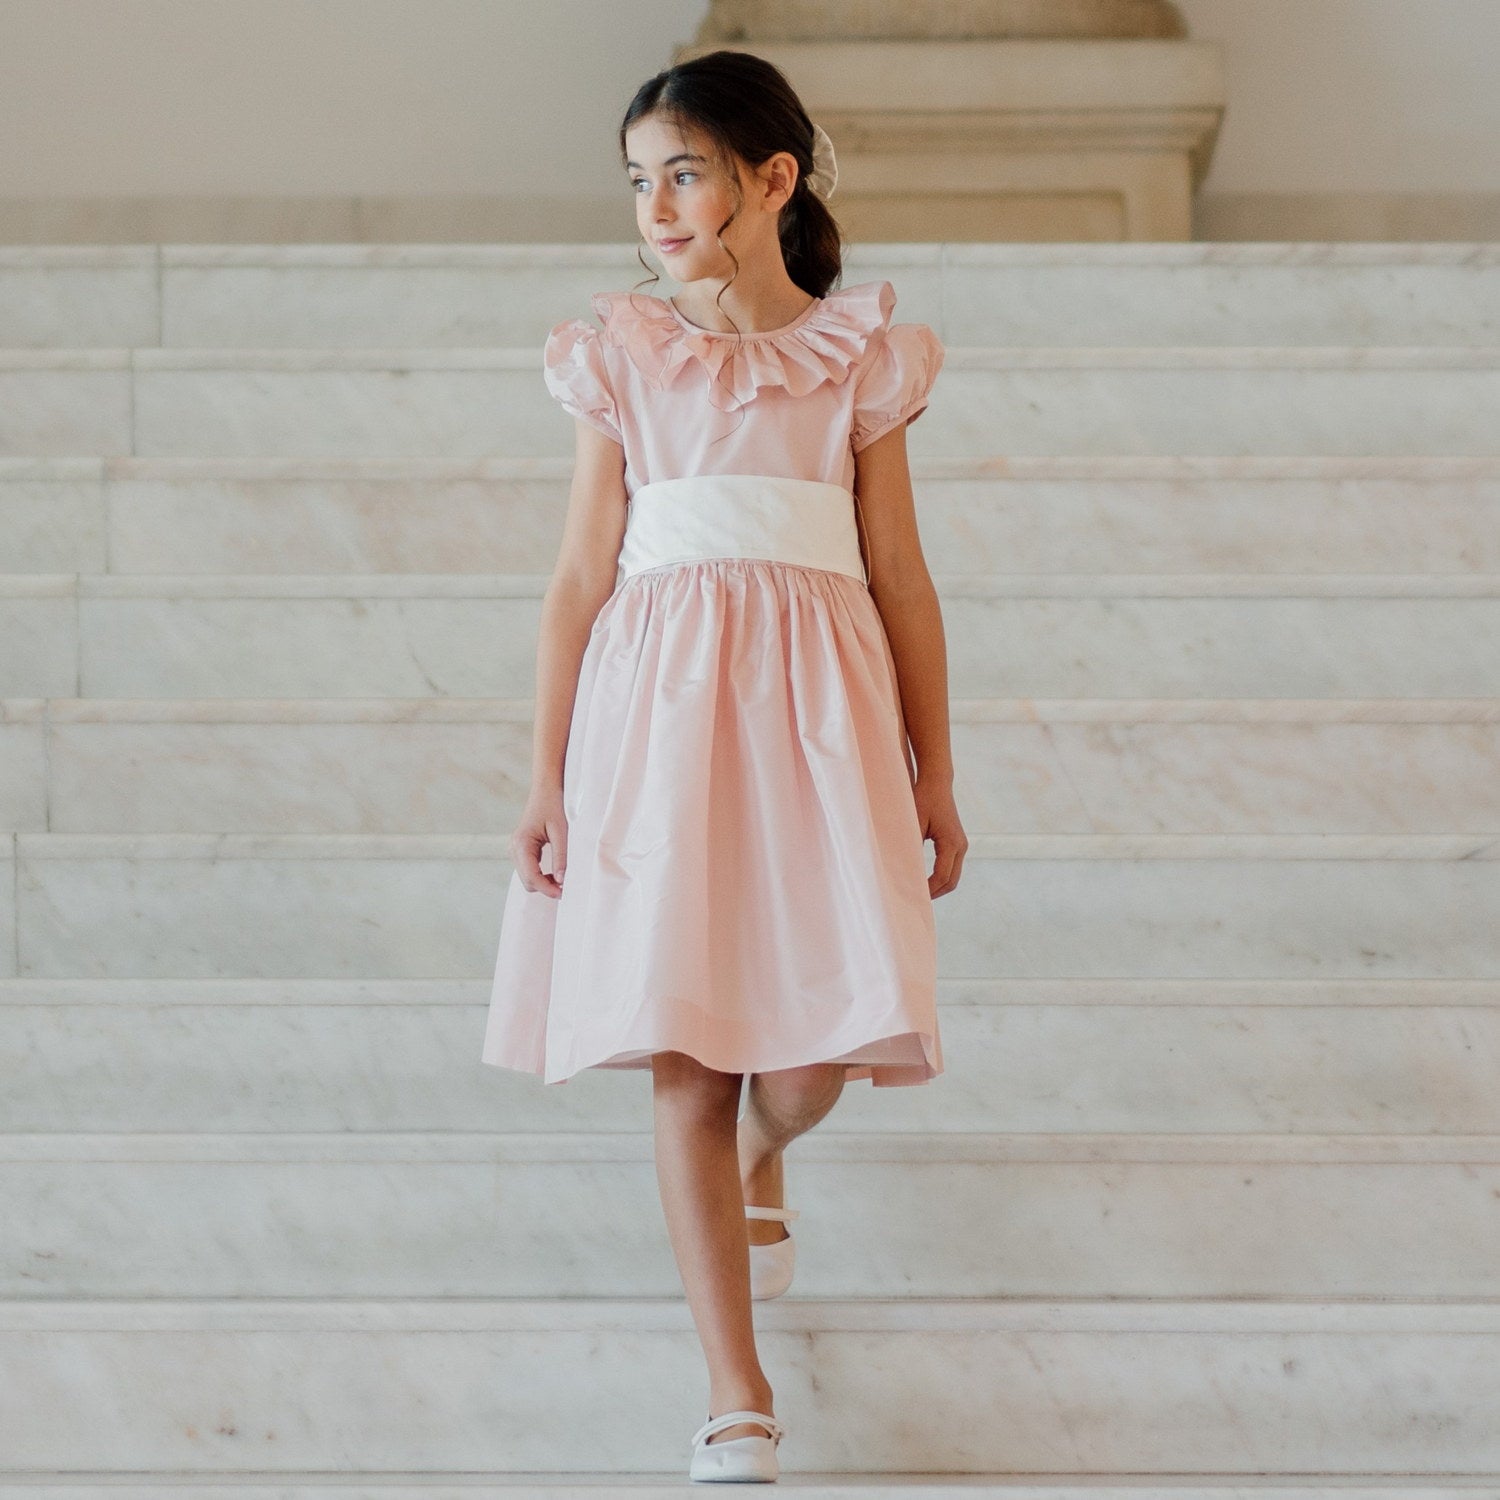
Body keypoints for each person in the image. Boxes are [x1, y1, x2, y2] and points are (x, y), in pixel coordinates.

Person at [480, 48, 968, 1483]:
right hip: (656, 718)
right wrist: (545, 774)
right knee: (686, 1056)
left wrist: (936, 768)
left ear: (772, 177)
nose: (658, 205)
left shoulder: (860, 354)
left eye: (683, 171)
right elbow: (578, 576)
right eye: (638, 182)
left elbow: (901, 573)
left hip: (819, 719)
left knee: (813, 1046)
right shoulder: (621, 352)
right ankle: (734, 1390)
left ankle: (771, 1150)